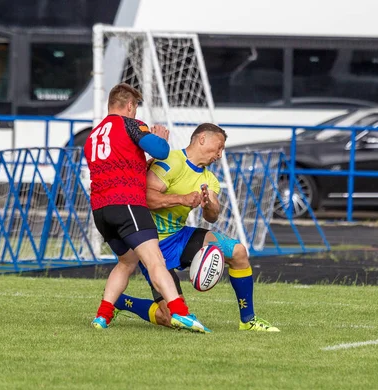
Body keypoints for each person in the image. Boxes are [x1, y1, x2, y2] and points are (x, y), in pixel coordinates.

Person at [114, 123, 280, 332]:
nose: (219, 155)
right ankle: (121, 302)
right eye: (218, 147)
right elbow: (146, 198)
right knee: (171, 319)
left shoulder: (209, 179)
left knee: (238, 252)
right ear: (201, 139)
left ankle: (248, 320)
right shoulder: (170, 161)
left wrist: (210, 206)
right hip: (150, 244)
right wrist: (182, 198)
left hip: (180, 237)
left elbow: (212, 216)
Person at [84, 83, 210, 333]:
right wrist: (161, 139)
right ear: (130, 105)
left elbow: (114, 167)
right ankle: (181, 313)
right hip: (127, 204)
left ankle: (102, 316)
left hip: (100, 209)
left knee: (126, 262)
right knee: (155, 261)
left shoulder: (94, 134)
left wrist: (141, 164)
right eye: (135, 108)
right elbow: (162, 152)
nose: (135, 112)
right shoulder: (131, 124)